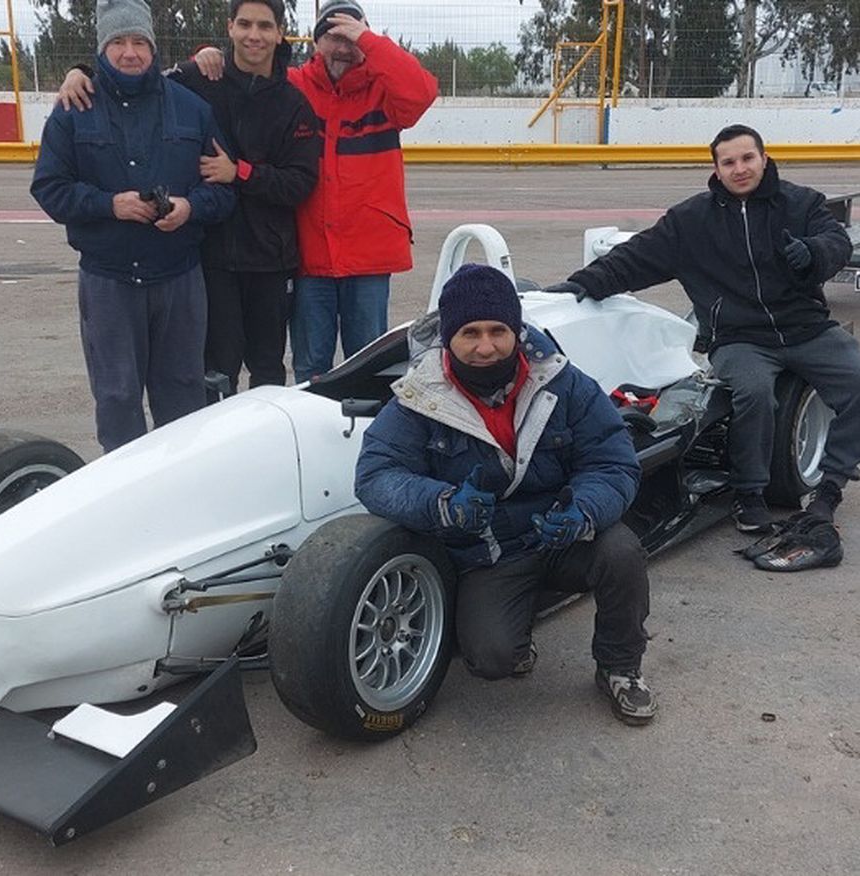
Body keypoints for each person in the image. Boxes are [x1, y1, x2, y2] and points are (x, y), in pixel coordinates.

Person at [354, 264, 657, 726]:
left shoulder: (564, 382)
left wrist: (583, 511)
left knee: (621, 551)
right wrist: (441, 503)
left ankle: (620, 666)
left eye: (498, 331)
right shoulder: (419, 398)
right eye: (469, 333)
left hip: (563, 535)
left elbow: (613, 462)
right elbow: (375, 475)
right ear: (449, 337)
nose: (485, 346)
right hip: (489, 553)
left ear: (516, 331)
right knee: (491, 660)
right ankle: (515, 630)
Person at [544, 124, 858, 533]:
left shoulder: (801, 204)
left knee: (856, 380)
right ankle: (749, 494)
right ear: (716, 168)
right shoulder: (691, 220)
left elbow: (835, 240)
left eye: (748, 158)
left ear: (764, 158)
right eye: (729, 162)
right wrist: (583, 283)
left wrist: (813, 253)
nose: (740, 168)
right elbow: (637, 257)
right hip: (739, 337)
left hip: (806, 328)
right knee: (755, 393)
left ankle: (829, 489)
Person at [58, 0, 320, 399]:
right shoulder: (199, 78)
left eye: (265, 26)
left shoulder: (294, 104)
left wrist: (241, 173)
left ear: (279, 33)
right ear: (229, 27)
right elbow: (134, 74)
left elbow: (300, 184)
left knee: (268, 369)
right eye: (245, 24)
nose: (254, 35)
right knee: (216, 372)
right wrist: (81, 73)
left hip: (271, 259)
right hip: (210, 258)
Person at [192, 0, 438, 383]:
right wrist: (206, 57)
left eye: (351, 38)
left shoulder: (386, 95)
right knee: (310, 370)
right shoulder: (294, 85)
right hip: (310, 257)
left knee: (371, 369)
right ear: (316, 41)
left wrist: (369, 41)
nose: (342, 46)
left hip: (369, 257)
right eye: (332, 37)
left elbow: (422, 92)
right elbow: (248, 65)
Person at [32, 0, 234, 453]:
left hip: (178, 279)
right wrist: (110, 205)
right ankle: (126, 496)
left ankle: (180, 486)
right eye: (118, 42)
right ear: (102, 48)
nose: (130, 52)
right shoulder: (73, 109)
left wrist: (189, 207)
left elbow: (223, 191)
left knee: (183, 395)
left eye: (139, 41)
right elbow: (48, 188)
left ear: (152, 47)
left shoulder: (192, 110)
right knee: (118, 398)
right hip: (109, 282)